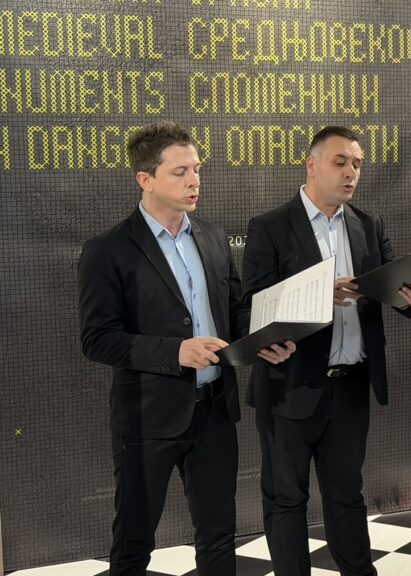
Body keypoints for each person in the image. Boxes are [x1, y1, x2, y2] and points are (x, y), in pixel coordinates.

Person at [78, 121, 294, 575]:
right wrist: (176, 352)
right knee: (133, 546)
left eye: (196, 169)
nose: (195, 180)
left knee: (219, 538)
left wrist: (260, 341)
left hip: (215, 411)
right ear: (145, 178)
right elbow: (97, 339)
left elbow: (234, 311)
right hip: (148, 419)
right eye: (180, 172)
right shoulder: (108, 250)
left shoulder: (213, 237)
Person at [241, 126, 411, 576]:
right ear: (311, 166)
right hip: (289, 387)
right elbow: (252, 307)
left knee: (347, 495)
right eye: (340, 162)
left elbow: (392, 290)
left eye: (357, 164)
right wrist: (316, 295)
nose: (352, 172)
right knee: (287, 500)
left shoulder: (368, 225)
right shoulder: (270, 227)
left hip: (350, 388)